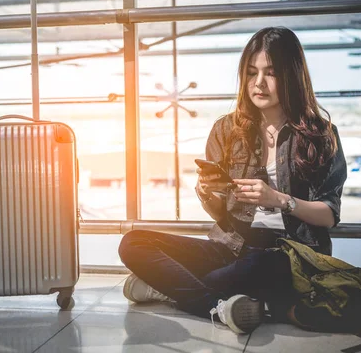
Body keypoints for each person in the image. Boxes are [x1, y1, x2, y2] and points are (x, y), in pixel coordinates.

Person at [118, 27, 347, 334]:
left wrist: (279, 200)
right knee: (133, 243)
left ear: (292, 76)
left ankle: (174, 291)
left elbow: (329, 215)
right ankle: (222, 303)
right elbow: (220, 214)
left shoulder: (320, 135)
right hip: (232, 247)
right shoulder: (226, 130)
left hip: (289, 253)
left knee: (251, 269)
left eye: (271, 73)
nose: (259, 83)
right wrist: (209, 193)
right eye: (252, 73)